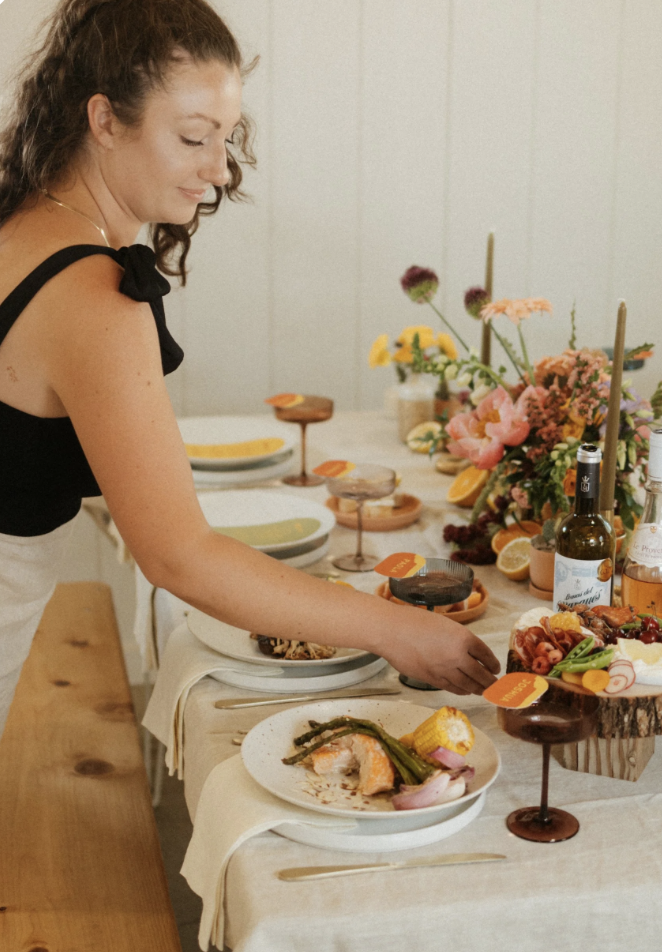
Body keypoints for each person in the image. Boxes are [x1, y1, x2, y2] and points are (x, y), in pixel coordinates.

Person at [0, 0, 499, 738]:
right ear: (104, 121)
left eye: (227, 138)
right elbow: (179, 557)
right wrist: (395, 629)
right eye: (194, 137)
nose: (220, 167)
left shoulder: (23, 223)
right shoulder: (93, 297)